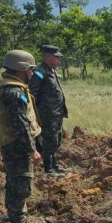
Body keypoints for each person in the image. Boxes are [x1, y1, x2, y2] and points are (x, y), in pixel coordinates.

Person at [0, 50, 43, 223]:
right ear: (20, 69)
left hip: (13, 143)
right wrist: (31, 150)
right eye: (30, 69)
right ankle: (17, 219)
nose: (32, 73)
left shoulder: (10, 87)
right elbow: (20, 124)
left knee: (15, 178)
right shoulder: (14, 92)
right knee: (21, 181)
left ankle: (15, 215)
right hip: (17, 145)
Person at [29, 45, 69, 176]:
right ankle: (49, 169)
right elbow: (32, 92)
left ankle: (55, 166)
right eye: (56, 57)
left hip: (56, 113)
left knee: (56, 140)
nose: (59, 60)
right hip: (47, 114)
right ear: (48, 57)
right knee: (49, 141)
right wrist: (36, 112)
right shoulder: (41, 71)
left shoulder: (51, 70)